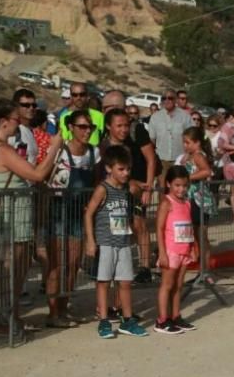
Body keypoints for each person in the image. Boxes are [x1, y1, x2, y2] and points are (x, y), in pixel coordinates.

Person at [0, 98, 64, 334]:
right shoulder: (2, 149)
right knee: (14, 270)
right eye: (16, 119)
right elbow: (37, 174)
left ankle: (4, 317)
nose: (19, 124)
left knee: (4, 270)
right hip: (14, 216)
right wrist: (54, 148)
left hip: (2, 214)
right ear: (4, 121)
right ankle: (7, 320)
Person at [83, 144, 148, 339]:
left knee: (125, 282)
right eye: (121, 169)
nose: (125, 173)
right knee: (103, 282)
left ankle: (127, 320)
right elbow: (89, 214)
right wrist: (91, 241)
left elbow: (137, 190)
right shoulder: (103, 189)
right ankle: (103, 320)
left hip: (123, 242)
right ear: (109, 168)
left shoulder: (127, 188)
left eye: (128, 169)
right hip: (105, 242)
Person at [45, 109, 100, 328]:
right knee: (57, 265)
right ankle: (52, 313)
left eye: (90, 127)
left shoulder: (93, 153)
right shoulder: (59, 151)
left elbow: (96, 181)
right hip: (58, 211)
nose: (87, 131)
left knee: (73, 263)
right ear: (71, 128)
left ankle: (63, 307)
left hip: (79, 214)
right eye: (82, 127)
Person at [101, 106, 158, 284]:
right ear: (109, 126)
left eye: (126, 125)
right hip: (116, 194)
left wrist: (147, 188)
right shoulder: (104, 146)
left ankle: (144, 268)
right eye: (119, 126)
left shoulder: (135, 137)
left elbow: (151, 160)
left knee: (140, 224)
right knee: (120, 228)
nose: (124, 129)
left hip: (136, 190)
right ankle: (118, 267)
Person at [154, 166, 197, 335]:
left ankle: (176, 315)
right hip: (171, 251)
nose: (181, 189)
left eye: (185, 186)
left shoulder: (186, 202)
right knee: (167, 285)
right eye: (177, 185)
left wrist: (193, 247)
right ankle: (162, 319)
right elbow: (159, 228)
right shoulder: (166, 203)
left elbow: (189, 226)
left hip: (184, 250)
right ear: (169, 184)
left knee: (178, 285)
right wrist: (162, 252)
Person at [176, 127, 215, 274]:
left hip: (199, 200)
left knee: (201, 235)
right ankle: (200, 267)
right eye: (184, 143)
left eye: (188, 143)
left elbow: (206, 171)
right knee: (195, 234)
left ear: (197, 142)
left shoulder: (198, 155)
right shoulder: (189, 156)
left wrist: (187, 178)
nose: (185, 146)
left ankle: (205, 270)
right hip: (190, 199)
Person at [147, 90, 190, 182]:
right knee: (163, 188)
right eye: (164, 98)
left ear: (175, 100)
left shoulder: (185, 116)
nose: (167, 100)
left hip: (180, 159)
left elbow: (192, 137)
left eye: (170, 98)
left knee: (179, 186)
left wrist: (188, 154)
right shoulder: (155, 117)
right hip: (161, 160)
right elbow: (152, 139)